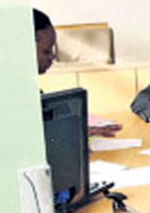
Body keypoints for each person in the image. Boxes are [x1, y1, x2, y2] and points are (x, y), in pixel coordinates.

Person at [33, 8, 121, 137]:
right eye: (46, 51)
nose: (52, 57)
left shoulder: (26, 85)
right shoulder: (7, 92)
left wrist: (78, 131)